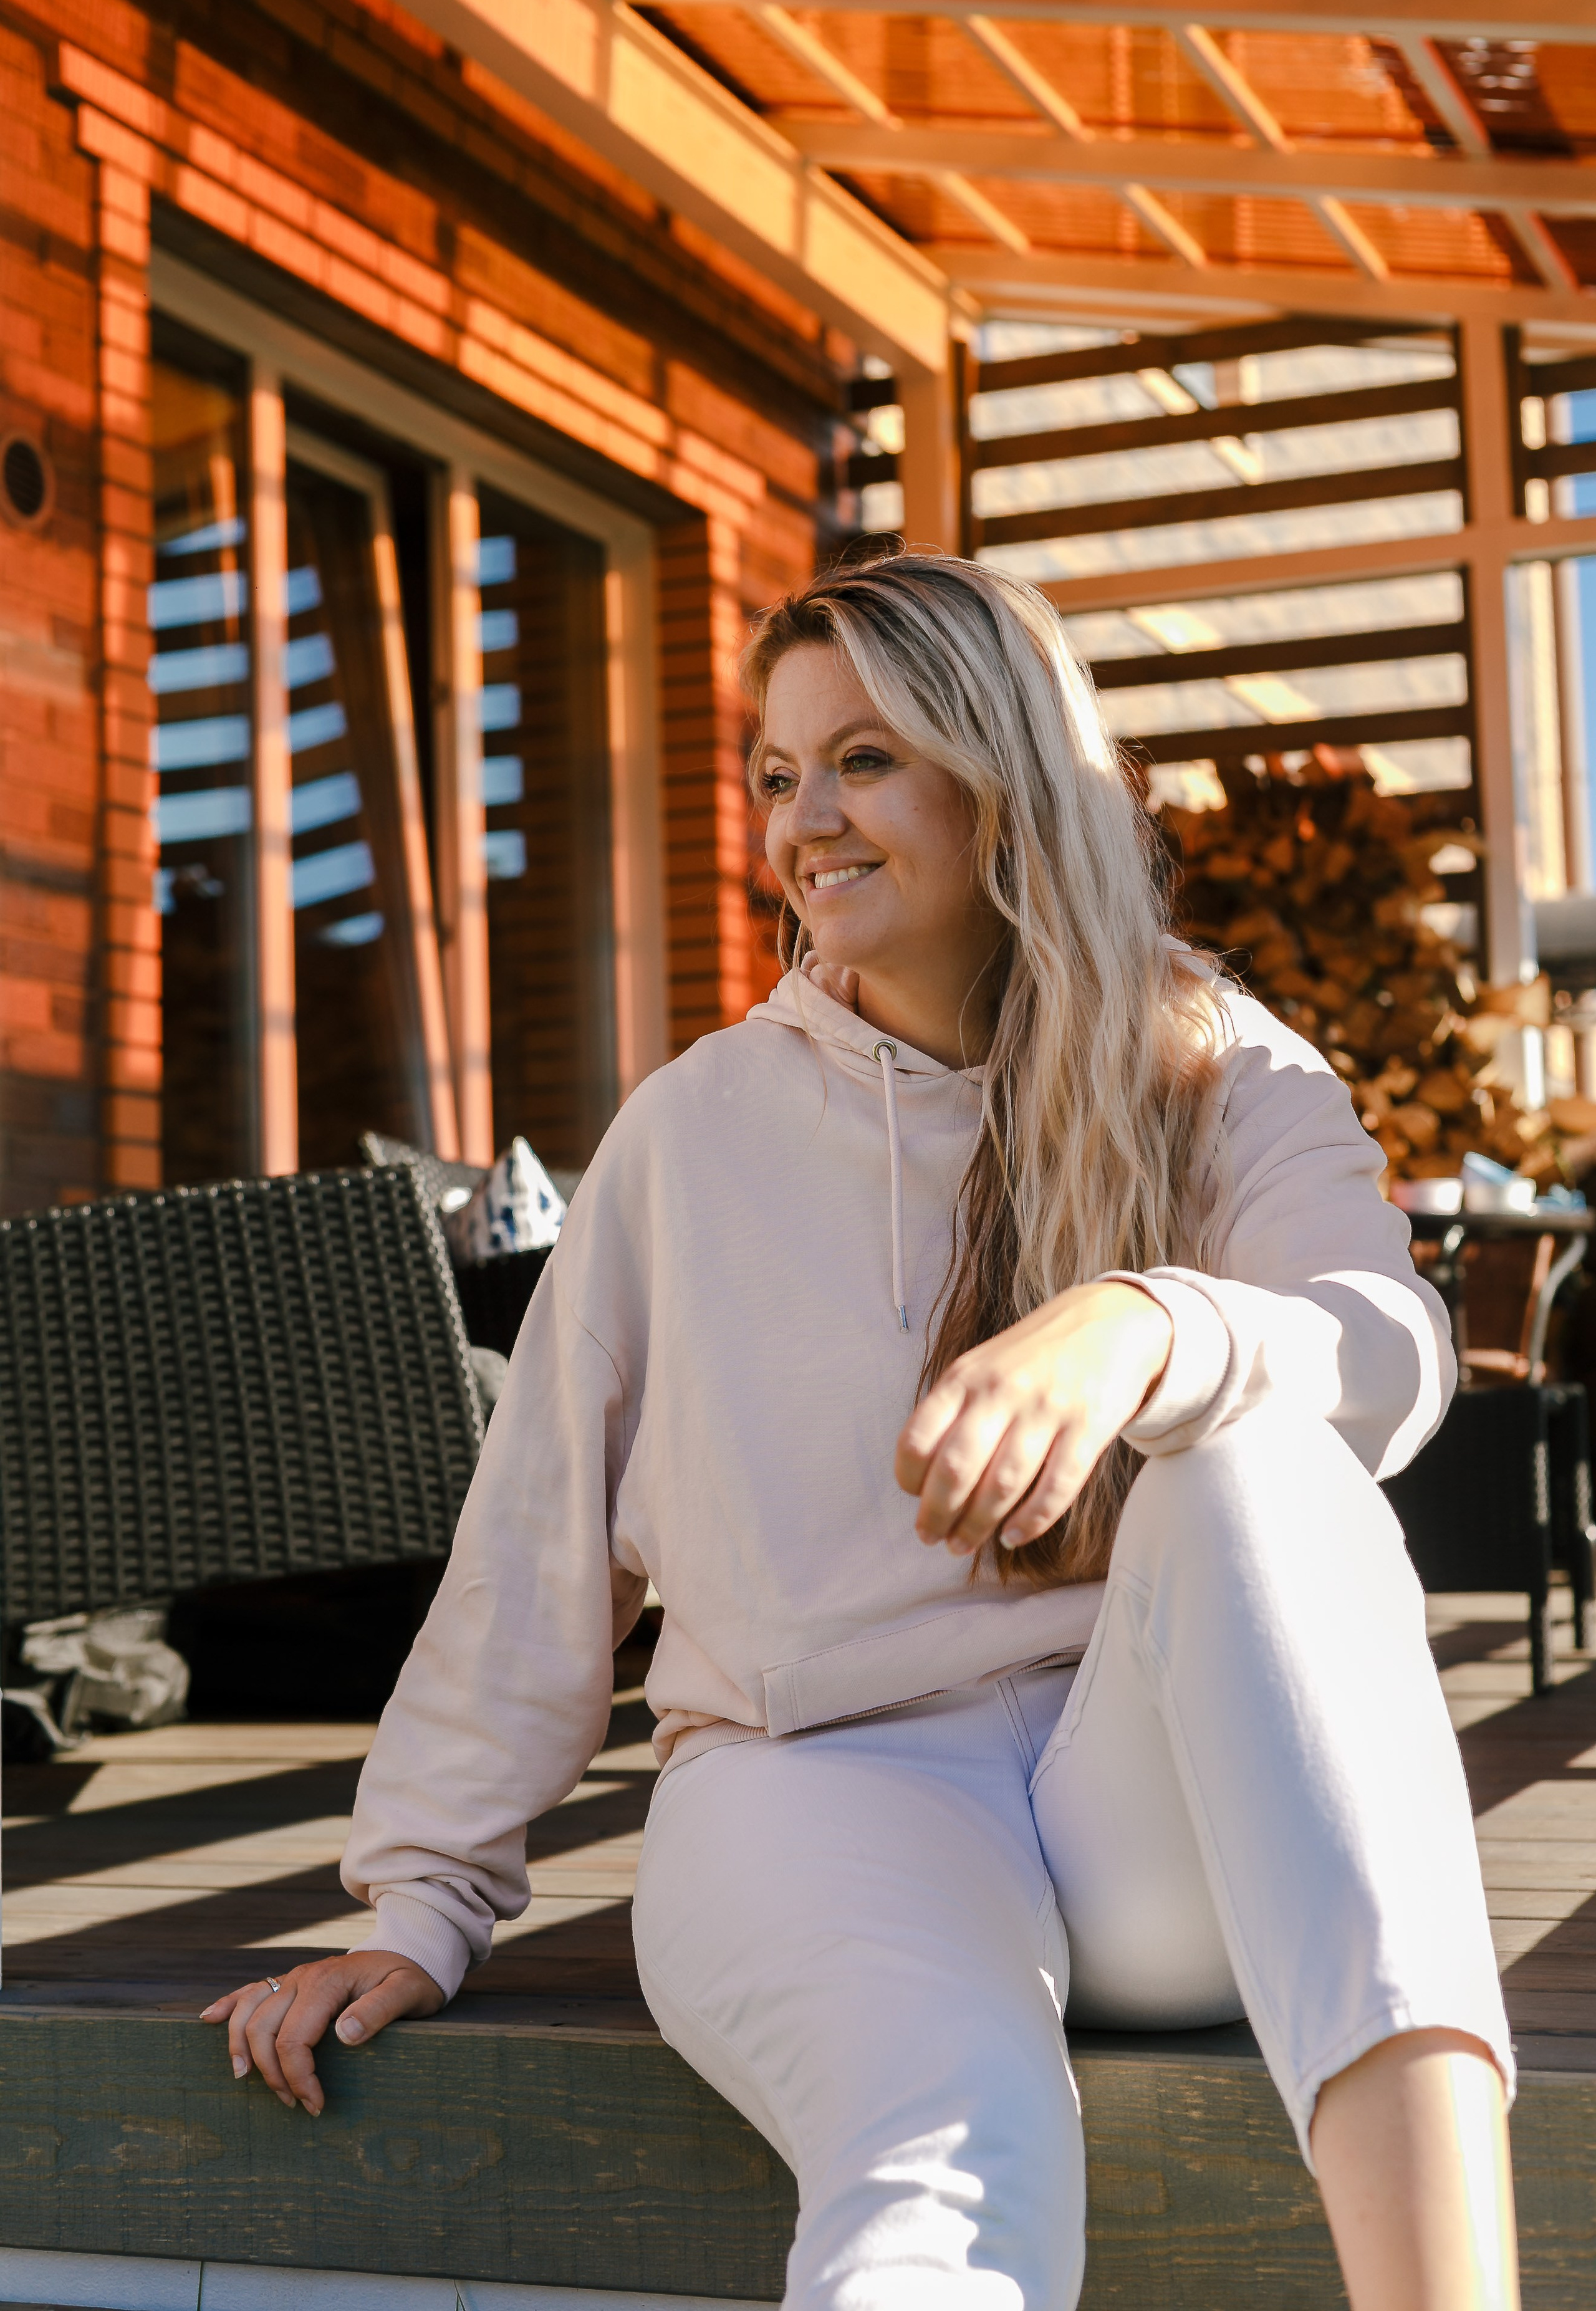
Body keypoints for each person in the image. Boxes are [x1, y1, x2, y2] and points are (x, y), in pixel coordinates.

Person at [204, 553, 1519, 2310]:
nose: (801, 818)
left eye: (865, 760)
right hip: (818, 1788)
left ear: (1003, 778)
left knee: (1265, 1460)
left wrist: (1142, 1325)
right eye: (775, 771)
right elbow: (537, 1542)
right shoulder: (692, 1138)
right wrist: (423, 1900)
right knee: (948, 2154)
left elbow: (1389, 1351)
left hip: (1154, 1824)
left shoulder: (1215, 1068)